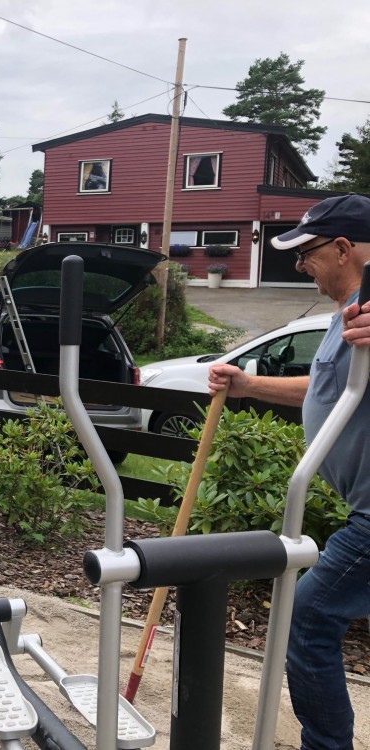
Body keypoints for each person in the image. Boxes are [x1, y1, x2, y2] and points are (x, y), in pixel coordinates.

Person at [207, 193, 370, 750]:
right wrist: (248, 385)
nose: (302, 268)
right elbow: (326, 389)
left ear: (343, 248)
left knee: (306, 620)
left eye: (307, 256)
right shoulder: (340, 318)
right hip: (361, 506)